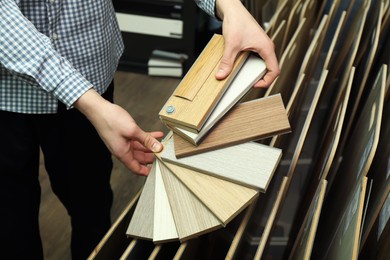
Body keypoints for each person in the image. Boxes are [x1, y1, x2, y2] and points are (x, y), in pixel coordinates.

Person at [0, 0, 279, 259]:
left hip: (88, 64)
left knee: (91, 202)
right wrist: (90, 103)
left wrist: (228, 6)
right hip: (7, 90)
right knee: (11, 220)